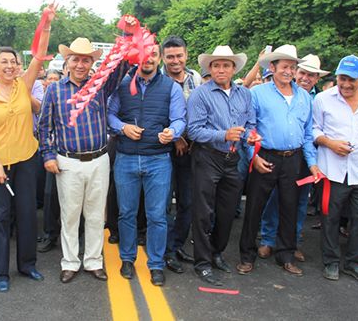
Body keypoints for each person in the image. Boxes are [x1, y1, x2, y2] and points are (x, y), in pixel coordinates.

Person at [38, 21, 134, 283]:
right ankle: (69, 262)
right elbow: (44, 126)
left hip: (99, 159)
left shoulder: (100, 86)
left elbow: (122, 65)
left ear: (92, 62)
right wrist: (48, 155)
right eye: (76, 60)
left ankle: (93, 261)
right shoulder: (55, 90)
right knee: (69, 215)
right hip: (67, 162)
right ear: (67, 61)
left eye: (85, 60)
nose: (81, 65)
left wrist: (128, 35)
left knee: (94, 215)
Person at [0, 4, 55, 293]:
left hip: (26, 161)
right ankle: (1, 272)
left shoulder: (24, 85)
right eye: (4, 63)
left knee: (26, 213)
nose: (10, 66)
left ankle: (27, 264)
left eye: (13, 62)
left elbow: (39, 53)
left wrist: (45, 23)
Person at [237, 44, 320, 277]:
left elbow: (307, 134)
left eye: (293, 67)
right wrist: (253, 157)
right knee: (254, 207)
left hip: (292, 159)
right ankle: (247, 255)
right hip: (266, 157)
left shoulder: (304, 97)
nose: (289, 71)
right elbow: (248, 128)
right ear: (272, 67)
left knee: (289, 208)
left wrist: (312, 163)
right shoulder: (258, 94)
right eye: (284, 66)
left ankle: (286, 255)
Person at [109, 42, 187, 287]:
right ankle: (128, 259)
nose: (148, 59)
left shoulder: (171, 88)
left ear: (159, 58)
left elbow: (179, 119)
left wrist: (172, 132)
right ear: (136, 58)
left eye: (153, 54)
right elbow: (109, 114)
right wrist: (123, 127)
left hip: (158, 160)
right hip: (126, 157)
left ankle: (155, 264)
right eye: (144, 54)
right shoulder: (122, 86)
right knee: (127, 213)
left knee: (157, 216)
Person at [187, 46, 257, 286]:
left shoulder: (244, 94)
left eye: (226, 65)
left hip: (233, 158)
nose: (221, 69)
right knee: (203, 213)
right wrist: (223, 134)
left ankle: (216, 253)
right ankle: (203, 263)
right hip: (208, 157)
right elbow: (194, 130)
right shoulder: (200, 94)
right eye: (216, 65)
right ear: (209, 68)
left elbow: (249, 123)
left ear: (233, 68)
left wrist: (250, 135)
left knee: (227, 212)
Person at [258, 54, 330, 262]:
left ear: (317, 79)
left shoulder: (317, 99)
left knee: (298, 202)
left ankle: (292, 241)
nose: (306, 78)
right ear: (296, 73)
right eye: (303, 73)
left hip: (304, 157)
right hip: (276, 153)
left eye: (312, 75)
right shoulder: (274, 93)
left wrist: (312, 162)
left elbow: (309, 133)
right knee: (273, 199)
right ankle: (268, 239)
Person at [313, 55, 358, 284]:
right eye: (342, 78)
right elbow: (312, 130)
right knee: (330, 217)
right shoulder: (323, 99)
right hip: (332, 171)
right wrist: (329, 143)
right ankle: (330, 261)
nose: (346, 84)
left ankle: (354, 263)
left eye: (352, 79)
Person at [161, 35, 200, 273]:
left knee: (187, 202)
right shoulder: (157, 80)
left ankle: (176, 245)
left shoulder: (196, 78)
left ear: (186, 54)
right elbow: (155, 114)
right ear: (163, 58)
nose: (175, 61)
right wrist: (177, 137)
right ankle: (165, 250)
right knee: (163, 204)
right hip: (165, 150)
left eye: (179, 56)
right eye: (170, 57)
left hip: (192, 151)